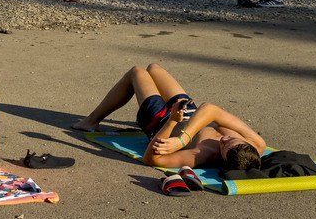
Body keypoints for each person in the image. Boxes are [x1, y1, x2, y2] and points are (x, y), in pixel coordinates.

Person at [70, 64, 267, 172]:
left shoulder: (202, 154)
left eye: (224, 146)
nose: (224, 139)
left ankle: (92, 121)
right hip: (191, 111)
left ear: (222, 159)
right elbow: (210, 109)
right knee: (154, 69)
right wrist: (183, 139)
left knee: (136, 72)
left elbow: (151, 159)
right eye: (231, 139)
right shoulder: (256, 143)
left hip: (162, 121)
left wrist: (173, 122)